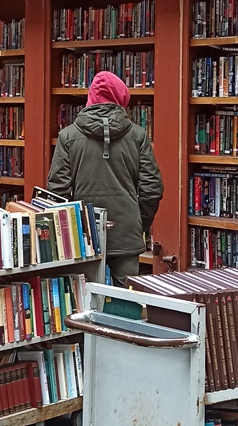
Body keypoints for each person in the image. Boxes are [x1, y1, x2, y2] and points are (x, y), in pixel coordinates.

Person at [47, 70, 163, 287]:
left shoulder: (68, 136)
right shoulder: (138, 135)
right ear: (121, 98)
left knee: (85, 301)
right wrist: (139, 223)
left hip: (83, 235)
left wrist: (69, 231)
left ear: (90, 98)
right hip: (127, 230)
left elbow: (57, 192)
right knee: (127, 306)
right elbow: (152, 189)